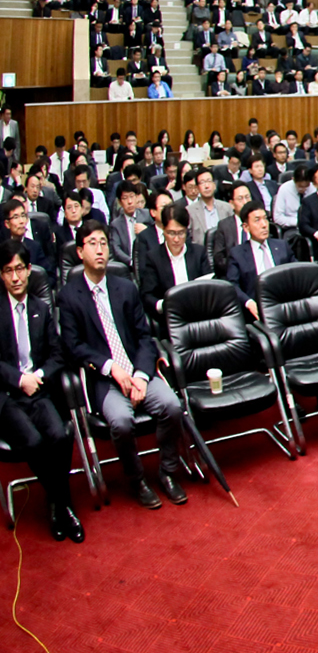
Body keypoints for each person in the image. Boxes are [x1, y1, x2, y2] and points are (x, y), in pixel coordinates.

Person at [58, 217, 187, 509]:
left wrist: (141, 375)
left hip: (136, 369)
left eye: (104, 242)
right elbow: (73, 347)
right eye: (92, 243)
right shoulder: (69, 296)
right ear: (80, 252)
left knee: (172, 406)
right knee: (121, 421)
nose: (100, 249)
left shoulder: (125, 287)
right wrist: (109, 367)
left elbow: (144, 336)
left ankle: (167, 473)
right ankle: (137, 479)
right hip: (105, 379)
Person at [0, 242, 81, 540]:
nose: (15, 277)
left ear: (29, 270)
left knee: (60, 435)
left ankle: (56, 503)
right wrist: (20, 380)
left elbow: (57, 355)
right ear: (2, 275)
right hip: (8, 396)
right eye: (8, 271)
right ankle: (63, 504)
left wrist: (39, 375)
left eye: (19, 269)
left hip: (39, 390)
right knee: (34, 442)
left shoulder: (40, 308)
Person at [137, 204, 212, 317]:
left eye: (180, 233)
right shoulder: (153, 257)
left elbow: (210, 286)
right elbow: (147, 295)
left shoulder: (198, 253)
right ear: (163, 229)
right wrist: (164, 305)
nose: (176, 239)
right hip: (170, 317)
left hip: (199, 313)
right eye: (171, 233)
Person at [223, 203, 293, 319]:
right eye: (257, 220)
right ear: (246, 227)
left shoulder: (282, 246)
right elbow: (232, 285)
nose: (264, 225)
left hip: (285, 304)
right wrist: (248, 303)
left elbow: (296, 273)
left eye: (265, 219)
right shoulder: (237, 254)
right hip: (257, 309)